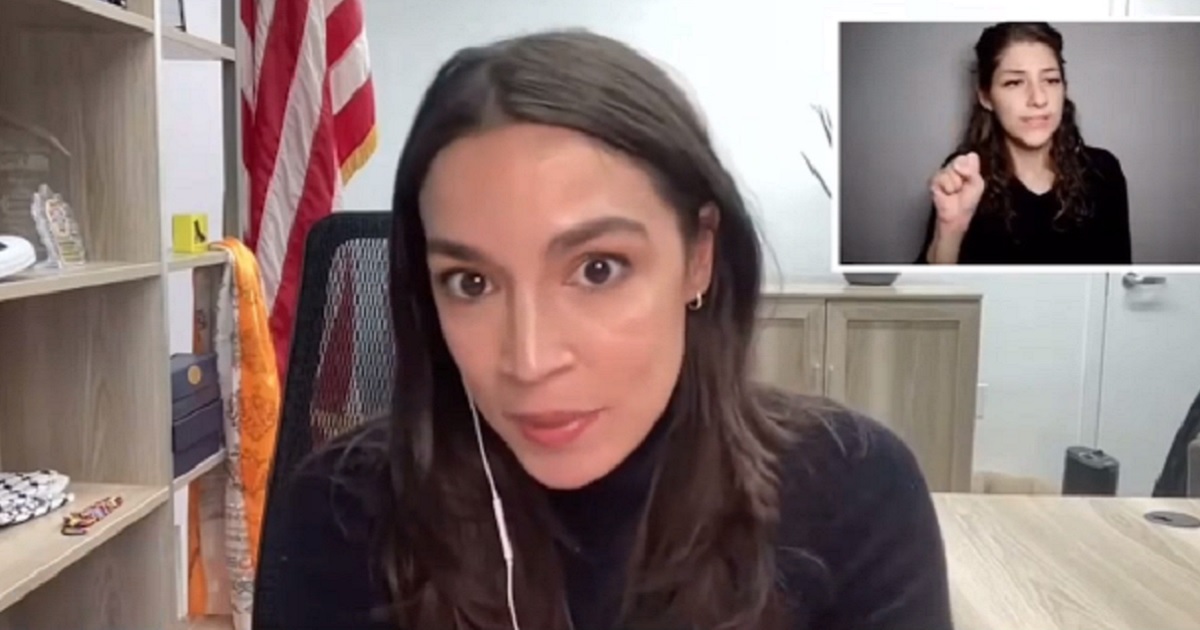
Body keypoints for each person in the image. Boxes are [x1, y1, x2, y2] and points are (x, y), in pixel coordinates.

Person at [267, 29, 952, 630]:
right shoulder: (345, 515)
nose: (530, 360)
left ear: (698, 258)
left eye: (598, 269)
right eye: (471, 283)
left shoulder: (854, 492)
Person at [920, 22, 1132, 265]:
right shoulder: (965, 177)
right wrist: (949, 231)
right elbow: (933, 294)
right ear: (986, 97)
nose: (1039, 99)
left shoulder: (1103, 171)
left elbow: (1119, 281)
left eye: (1051, 80)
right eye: (1014, 82)